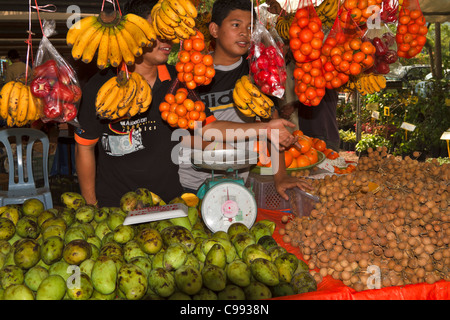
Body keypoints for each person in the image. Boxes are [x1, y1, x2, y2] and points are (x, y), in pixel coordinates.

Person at [178, 0, 311, 200]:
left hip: (239, 179)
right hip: (192, 183)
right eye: (235, 25)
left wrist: (280, 176)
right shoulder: (194, 74)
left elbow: (271, 125)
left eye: (250, 27)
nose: (244, 33)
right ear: (214, 29)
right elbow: (187, 134)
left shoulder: (257, 73)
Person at [74, 0, 183, 207]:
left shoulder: (178, 80)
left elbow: (196, 133)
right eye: (158, 30)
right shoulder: (101, 86)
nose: (167, 38)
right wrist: (91, 205)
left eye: (169, 31)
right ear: (135, 32)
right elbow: (84, 148)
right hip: (115, 206)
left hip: (169, 203)